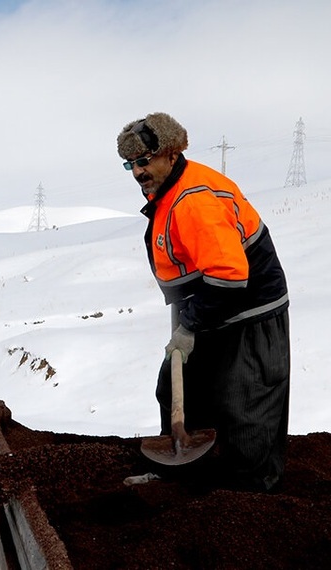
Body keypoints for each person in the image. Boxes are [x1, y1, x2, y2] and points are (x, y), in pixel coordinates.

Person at [117, 112, 291, 491]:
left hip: (248, 310)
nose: (137, 172)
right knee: (176, 387)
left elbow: (230, 277)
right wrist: (188, 319)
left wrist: (190, 325)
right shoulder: (166, 190)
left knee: (243, 406)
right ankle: (180, 474)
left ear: (171, 153)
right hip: (207, 304)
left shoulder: (194, 201)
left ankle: (246, 495)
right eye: (129, 164)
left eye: (144, 161)